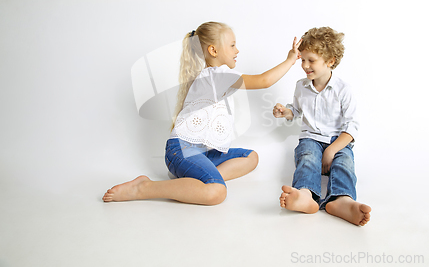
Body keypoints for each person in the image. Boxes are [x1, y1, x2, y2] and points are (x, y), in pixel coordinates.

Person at [103, 21, 301, 205]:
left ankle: (198, 180)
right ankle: (144, 188)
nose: (237, 50)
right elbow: (264, 81)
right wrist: (290, 60)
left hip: (204, 152)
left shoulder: (216, 76)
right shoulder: (217, 75)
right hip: (182, 150)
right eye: (232, 45)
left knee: (251, 157)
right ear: (213, 50)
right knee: (217, 192)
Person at [273, 27, 371, 226]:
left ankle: (341, 200)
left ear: (330, 61)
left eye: (311, 61)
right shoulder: (301, 86)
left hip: (338, 140)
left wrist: (332, 150)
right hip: (311, 138)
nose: (305, 65)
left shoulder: (343, 89)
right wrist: (286, 112)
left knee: (344, 164)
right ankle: (305, 195)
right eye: (302, 59)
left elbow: (352, 126)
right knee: (307, 158)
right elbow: (298, 111)